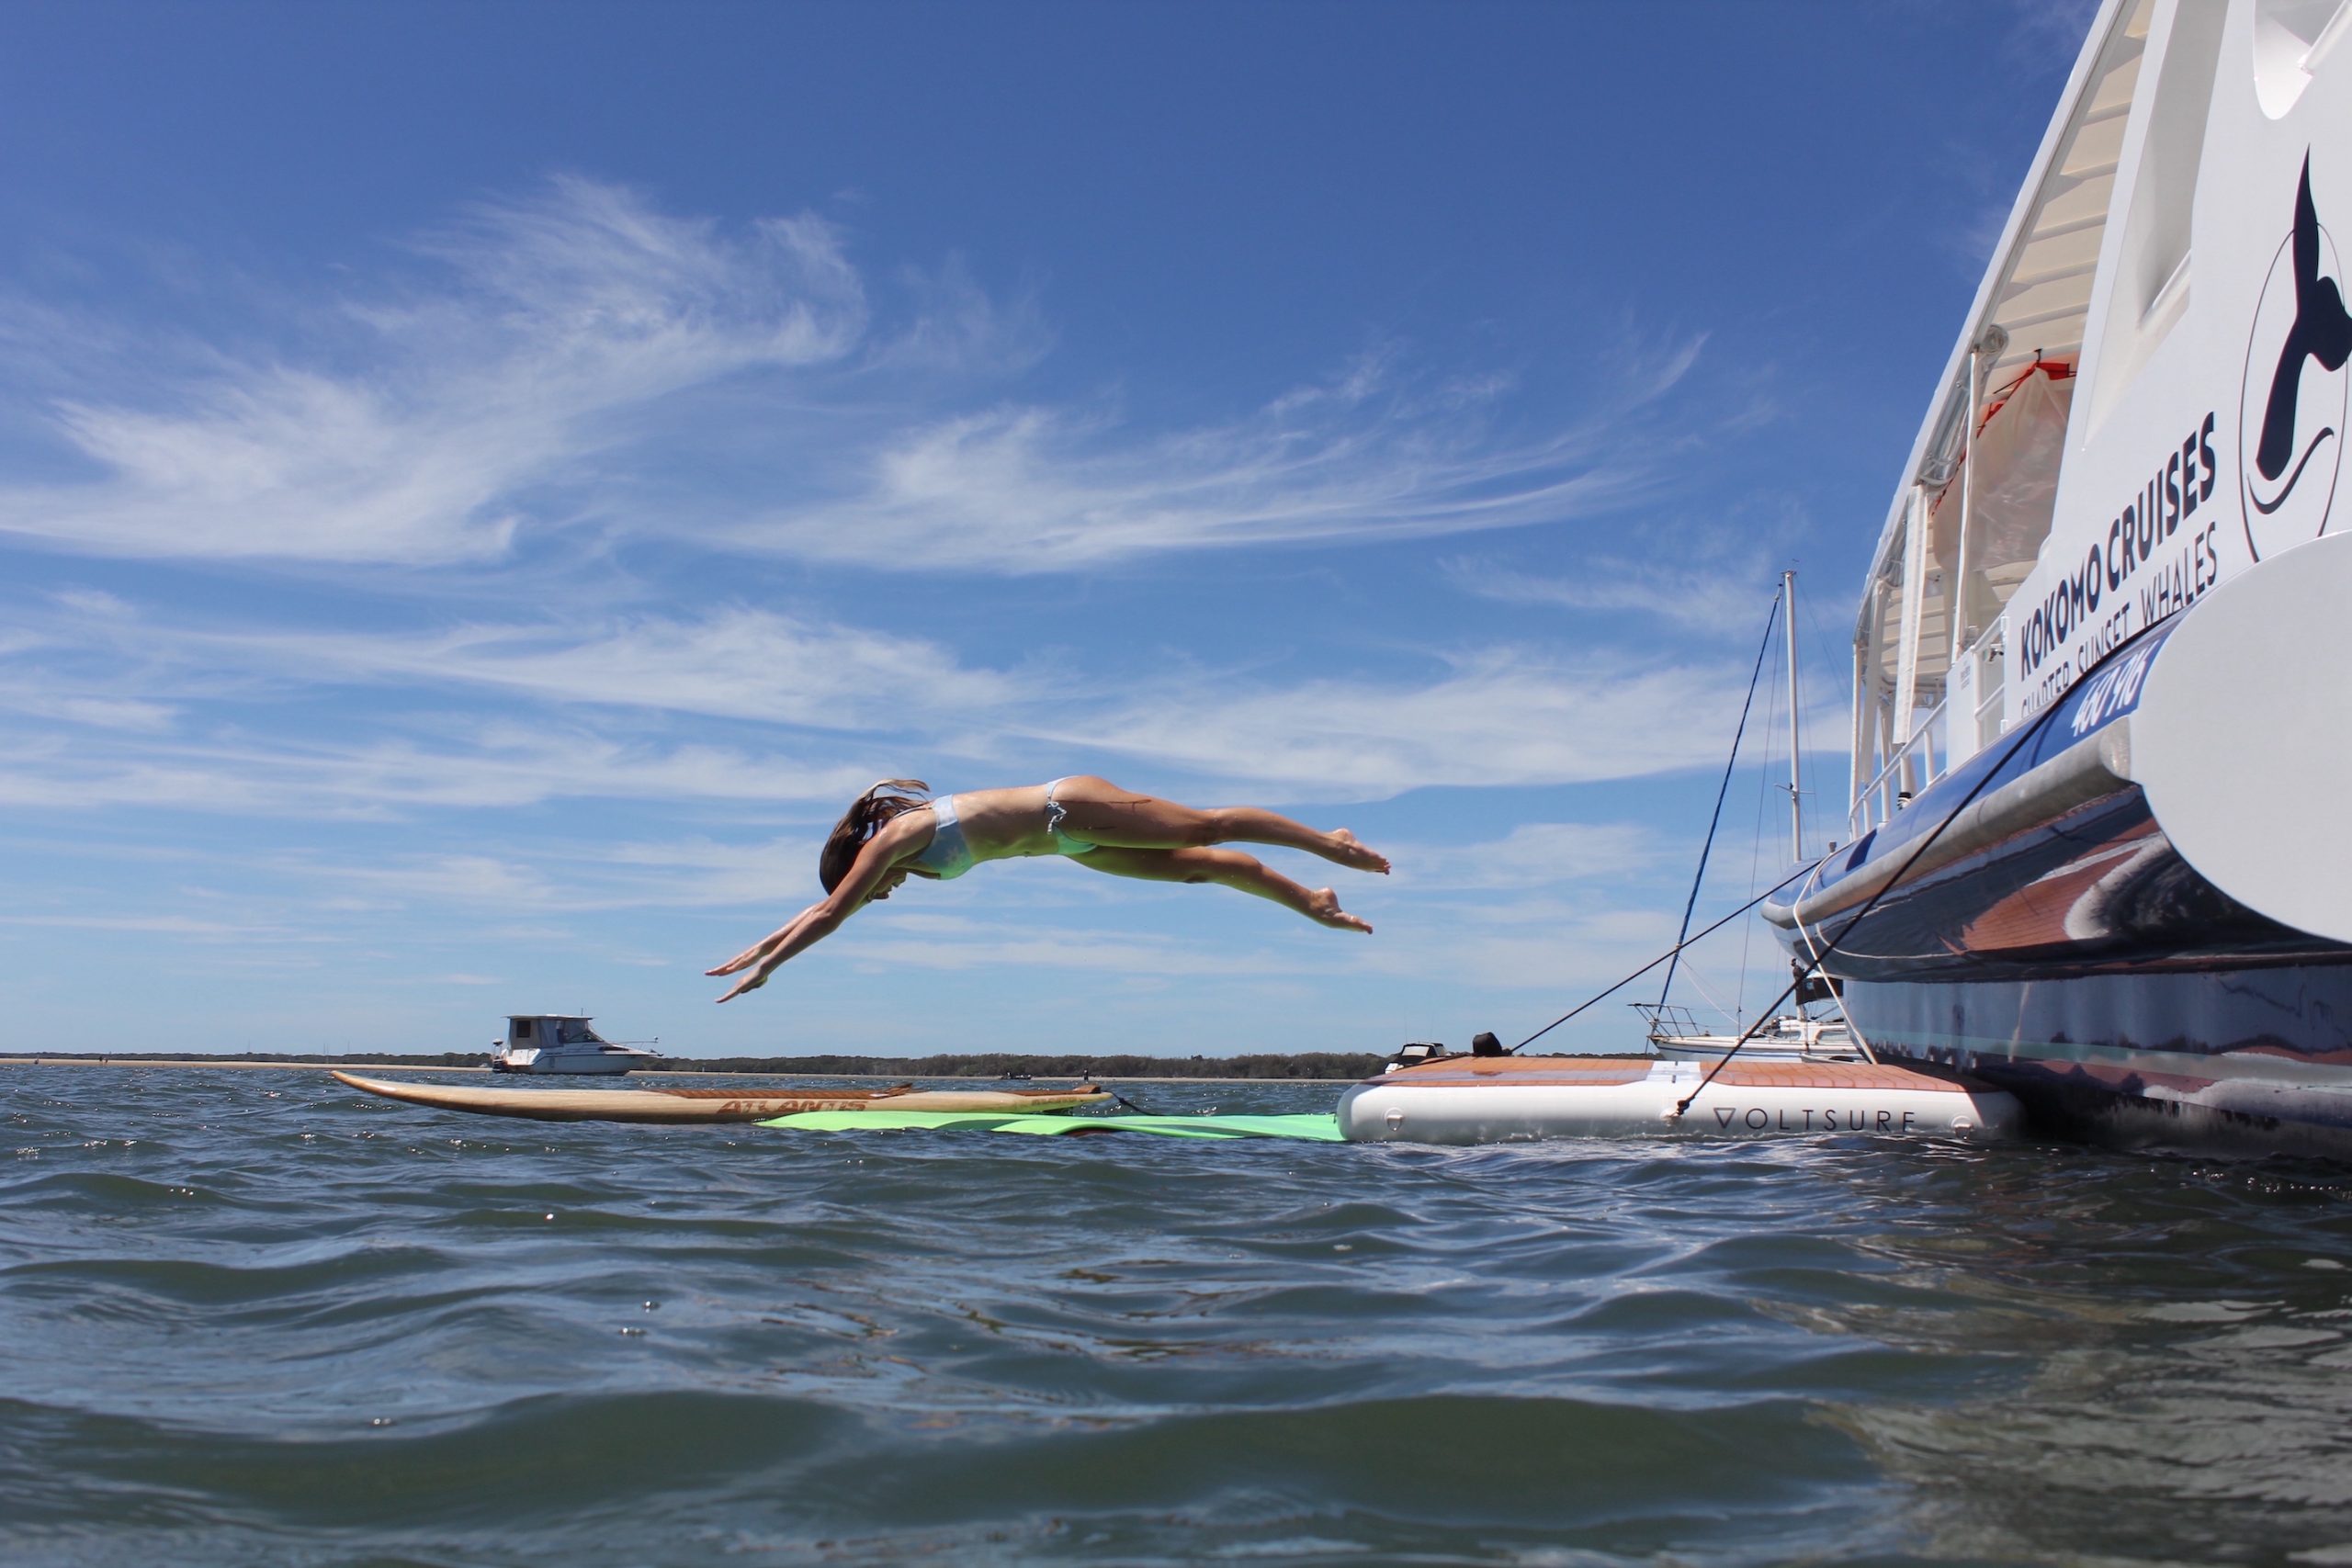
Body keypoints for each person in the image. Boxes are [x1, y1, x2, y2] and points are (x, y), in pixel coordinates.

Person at [708, 776, 1389, 1001]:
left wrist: (770, 967)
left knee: (1207, 828)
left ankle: (1328, 841)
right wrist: (756, 946)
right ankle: (1312, 901)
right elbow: (823, 909)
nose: (875, 897)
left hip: (1069, 808)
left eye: (868, 889)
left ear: (863, 862)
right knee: (1204, 866)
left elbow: (830, 911)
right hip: (1072, 845)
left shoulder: (896, 840)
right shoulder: (905, 861)